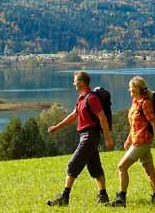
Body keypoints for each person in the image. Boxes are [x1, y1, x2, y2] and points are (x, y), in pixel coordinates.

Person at [46, 71, 114, 207]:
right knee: (95, 166)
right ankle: (103, 196)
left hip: (90, 136)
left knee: (72, 165)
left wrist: (107, 139)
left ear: (81, 82)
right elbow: (73, 115)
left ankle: (64, 197)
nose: (73, 83)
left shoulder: (92, 98)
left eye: (75, 81)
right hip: (86, 136)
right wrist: (57, 127)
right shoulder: (81, 99)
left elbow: (102, 118)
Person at [107, 76, 155, 207]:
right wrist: (128, 139)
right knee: (150, 172)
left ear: (139, 89)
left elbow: (154, 123)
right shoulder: (135, 102)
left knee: (122, 166)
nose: (130, 92)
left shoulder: (145, 103)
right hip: (136, 140)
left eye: (132, 90)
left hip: (142, 142)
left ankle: (121, 198)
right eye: (130, 90)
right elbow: (134, 124)